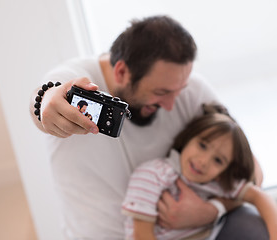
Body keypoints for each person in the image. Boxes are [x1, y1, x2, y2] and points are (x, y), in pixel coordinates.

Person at [30, 15, 267, 239]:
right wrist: (46, 103)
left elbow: (253, 173)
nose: (171, 104)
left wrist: (212, 209)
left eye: (179, 91)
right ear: (122, 72)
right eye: (161, 93)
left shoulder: (187, 87)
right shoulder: (77, 79)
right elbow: (45, 100)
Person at [122, 104, 277, 240]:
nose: (203, 161)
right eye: (202, 145)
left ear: (224, 170)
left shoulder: (218, 181)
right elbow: (141, 236)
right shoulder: (152, 175)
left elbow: (259, 196)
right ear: (189, 137)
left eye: (218, 160)